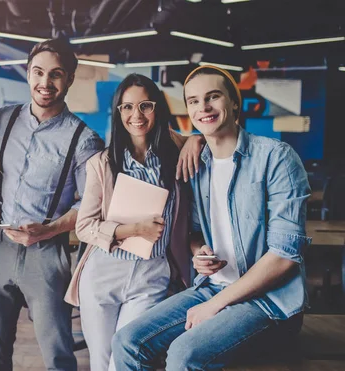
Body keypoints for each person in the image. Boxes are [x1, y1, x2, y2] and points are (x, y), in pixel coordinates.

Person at [112, 65, 310, 371]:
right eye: (193, 101)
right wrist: (199, 251)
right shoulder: (197, 165)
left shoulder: (277, 158)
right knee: (127, 341)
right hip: (212, 287)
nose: (202, 107)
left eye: (212, 97)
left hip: (269, 303)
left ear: (233, 102)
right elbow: (195, 232)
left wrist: (215, 305)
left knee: (184, 354)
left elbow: (285, 256)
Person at [0, 38, 105, 371]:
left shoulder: (84, 138)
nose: (45, 83)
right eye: (38, 72)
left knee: (57, 352)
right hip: (0, 246)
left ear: (70, 79)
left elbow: (94, 207)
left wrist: (50, 229)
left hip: (47, 254)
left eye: (56, 74)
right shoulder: (1, 120)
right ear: (27, 73)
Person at [65, 73, 199, 371]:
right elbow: (84, 226)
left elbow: (205, 138)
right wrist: (134, 230)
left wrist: (197, 138)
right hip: (103, 274)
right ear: (118, 112)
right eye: (127, 107)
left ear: (157, 109)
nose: (136, 115)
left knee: (124, 361)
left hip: (150, 277)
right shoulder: (102, 163)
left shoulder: (176, 153)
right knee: (101, 364)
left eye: (145, 106)